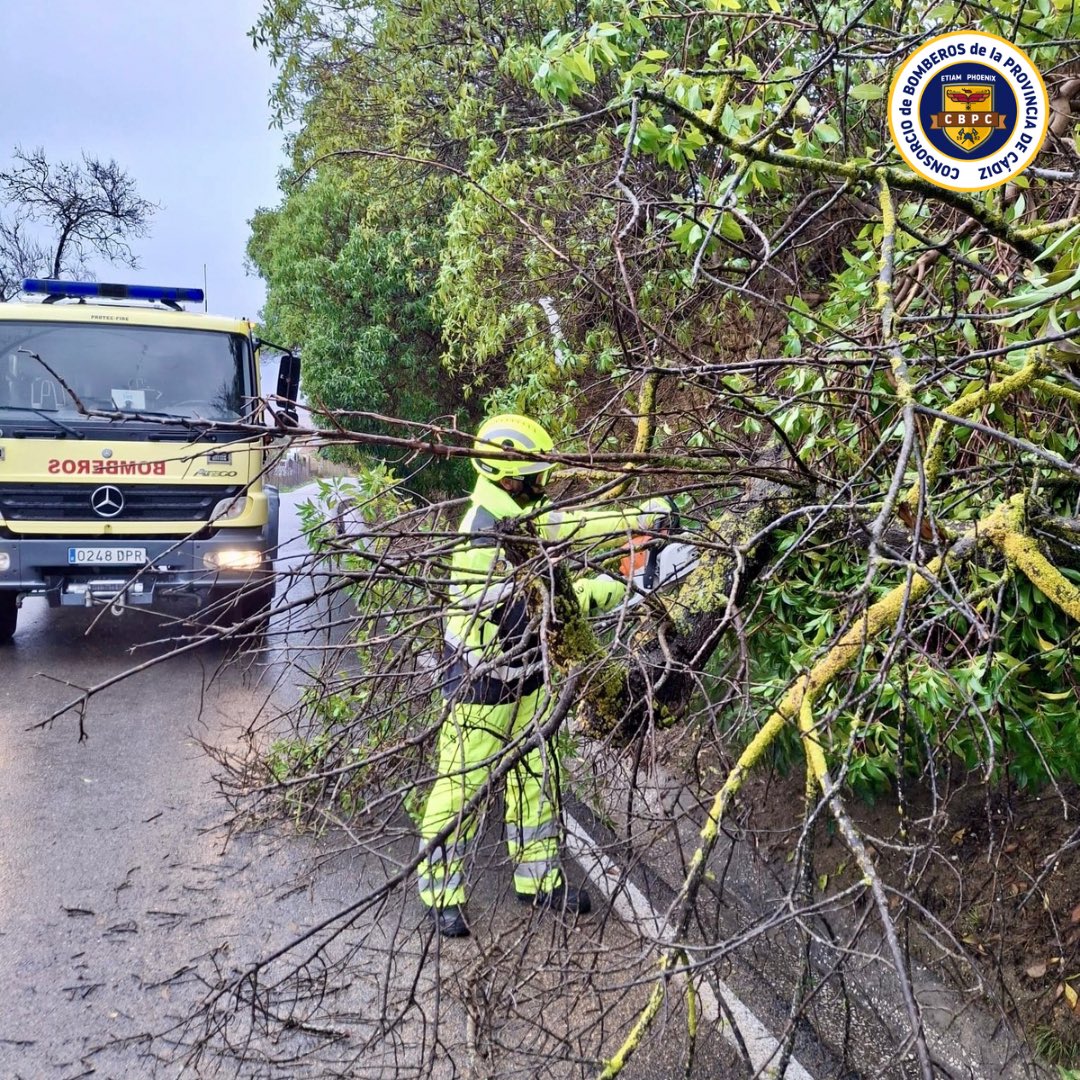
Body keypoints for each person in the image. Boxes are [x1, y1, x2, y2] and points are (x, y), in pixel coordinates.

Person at [416, 413, 672, 937]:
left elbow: (582, 523)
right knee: (462, 787)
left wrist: (644, 517)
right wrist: (616, 590)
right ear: (509, 473)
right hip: (482, 680)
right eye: (535, 472)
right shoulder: (483, 535)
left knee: (537, 776)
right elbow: (531, 610)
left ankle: (539, 880)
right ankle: (441, 891)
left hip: (528, 674)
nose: (545, 479)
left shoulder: (522, 514)